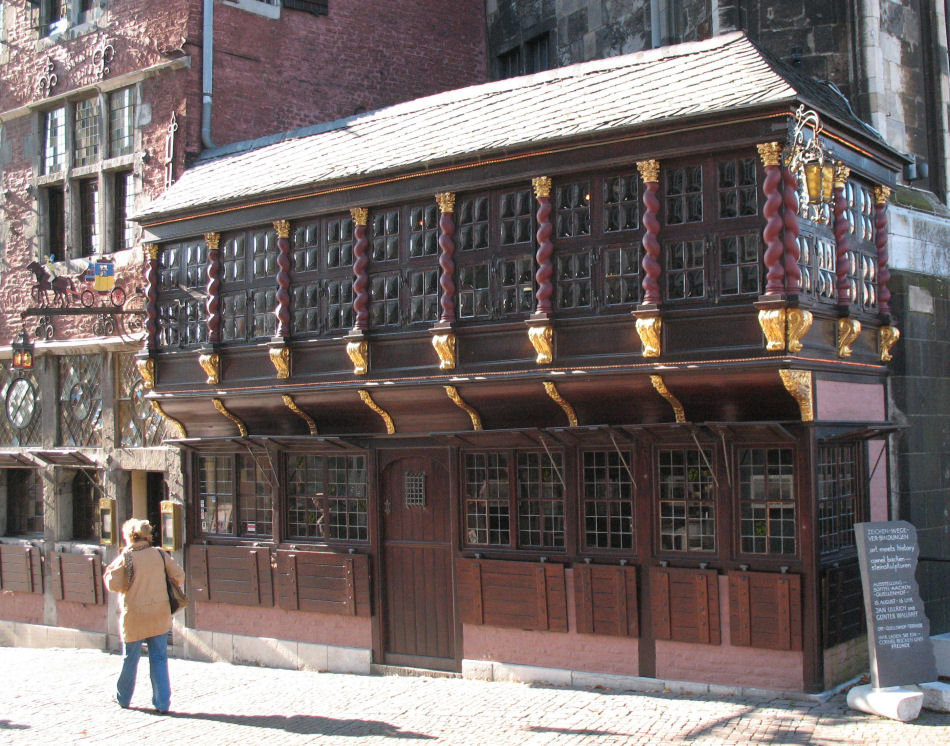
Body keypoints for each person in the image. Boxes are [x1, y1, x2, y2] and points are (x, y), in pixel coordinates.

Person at [103, 518, 185, 714]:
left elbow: (113, 583)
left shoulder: (126, 557)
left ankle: (123, 698)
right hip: (159, 613)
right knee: (159, 658)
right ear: (147, 536)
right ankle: (162, 703)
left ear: (129, 536)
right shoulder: (159, 554)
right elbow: (179, 575)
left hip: (135, 615)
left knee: (130, 657)